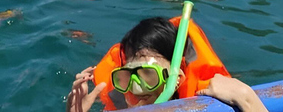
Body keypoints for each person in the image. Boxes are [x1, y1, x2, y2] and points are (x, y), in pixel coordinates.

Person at [67, 16, 268, 111]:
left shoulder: (207, 107)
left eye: (148, 75)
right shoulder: (122, 107)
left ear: (177, 77)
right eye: (127, 76)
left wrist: (248, 99)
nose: (136, 88)